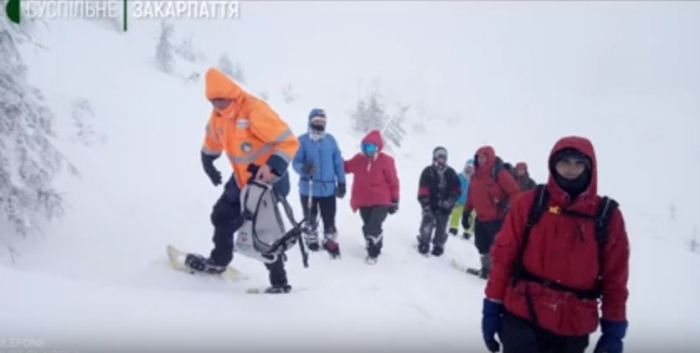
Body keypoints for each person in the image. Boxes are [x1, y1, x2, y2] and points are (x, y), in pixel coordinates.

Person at [481, 136, 629, 353]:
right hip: (522, 317)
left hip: (572, 326)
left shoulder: (607, 216)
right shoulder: (530, 204)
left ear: (590, 167)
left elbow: (615, 280)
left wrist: (614, 330)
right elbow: (504, 257)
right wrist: (492, 306)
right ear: (553, 165)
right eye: (564, 163)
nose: (571, 169)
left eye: (578, 164)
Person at [184, 68, 300, 294]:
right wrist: (207, 159)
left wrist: (273, 166)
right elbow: (213, 138)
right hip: (241, 179)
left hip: (268, 181)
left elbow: (289, 142)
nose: (218, 106)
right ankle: (219, 261)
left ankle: (279, 282)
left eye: (222, 100)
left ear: (232, 94)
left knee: (262, 230)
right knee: (221, 215)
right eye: (213, 101)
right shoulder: (218, 115)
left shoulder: (254, 110)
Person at [292, 108, 346, 258]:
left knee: (329, 216)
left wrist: (341, 182)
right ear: (310, 122)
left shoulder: (330, 140)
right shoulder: (302, 140)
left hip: (328, 188)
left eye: (322, 121)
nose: (319, 124)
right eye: (316, 121)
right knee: (310, 216)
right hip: (308, 187)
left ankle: (330, 239)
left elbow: (338, 163)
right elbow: (295, 162)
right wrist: (303, 168)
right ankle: (311, 236)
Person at [462, 146, 521, 278]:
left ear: (490, 158)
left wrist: (508, 209)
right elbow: (471, 196)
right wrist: (466, 212)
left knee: (497, 247)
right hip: (481, 217)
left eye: (484, 157)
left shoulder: (499, 173)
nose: (481, 160)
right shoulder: (475, 176)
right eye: (479, 157)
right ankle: (486, 269)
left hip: (497, 218)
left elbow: (515, 192)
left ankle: (498, 273)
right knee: (481, 245)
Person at [344, 130, 400, 264]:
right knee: (367, 226)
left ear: (378, 147)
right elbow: (345, 167)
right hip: (363, 200)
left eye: (371, 147)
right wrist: (333, 156)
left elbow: (394, 182)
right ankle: (373, 244)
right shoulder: (359, 159)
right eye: (365, 147)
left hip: (382, 200)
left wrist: (395, 200)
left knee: (372, 227)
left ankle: (373, 254)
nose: (368, 151)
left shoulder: (386, 161)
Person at [416, 146, 461, 256]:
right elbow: (423, 189)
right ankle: (424, 241)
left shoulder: (451, 173)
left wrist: (450, 201)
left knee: (442, 225)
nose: (441, 160)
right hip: (430, 204)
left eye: (443, 158)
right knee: (427, 222)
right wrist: (425, 203)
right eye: (439, 157)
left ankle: (439, 244)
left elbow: (457, 190)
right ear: (435, 158)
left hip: (445, 206)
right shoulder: (428, 171)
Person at [449, 158, 476, 240]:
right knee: (455, 214)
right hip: (459, 201)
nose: (469, 169)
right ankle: (453, 228)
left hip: (471, 203)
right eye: (468, 167)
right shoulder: (459, 176)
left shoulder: (476, 179)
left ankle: (467, 232)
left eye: (472, 168)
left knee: (471, 217)